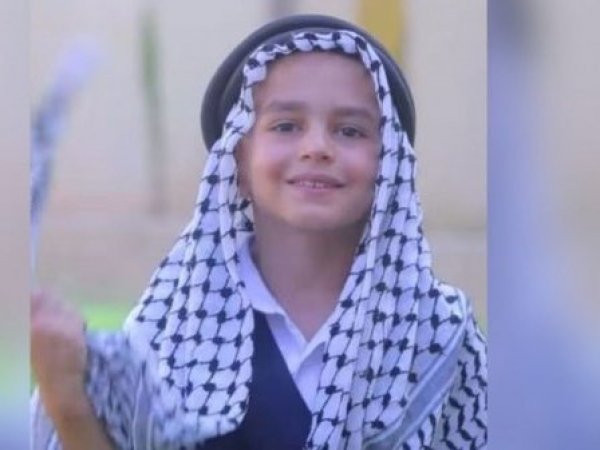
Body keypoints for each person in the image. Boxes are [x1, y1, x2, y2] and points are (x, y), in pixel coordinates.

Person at [31, 14, 487, 450]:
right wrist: (68, 402)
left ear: (390, 169)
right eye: (286, 126)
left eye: (350, 131)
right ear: (238, 166)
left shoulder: (439, 332)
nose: (317, 147)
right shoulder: (166, 330)